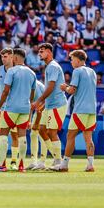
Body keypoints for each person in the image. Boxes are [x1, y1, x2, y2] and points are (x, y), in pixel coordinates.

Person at [0, 48, 36, 172]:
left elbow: (5, 91)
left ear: (15, 58)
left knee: (3, 134)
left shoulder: (11, 71)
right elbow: (32, 95)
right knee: (22, 137)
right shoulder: (32, 73)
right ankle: (21, 165)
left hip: (11, 108)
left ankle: (2, 165)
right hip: (25, 108)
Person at [59, 50, 97, 172]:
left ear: (79, 60)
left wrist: (65, 87)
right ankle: (90, 165)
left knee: (70, 136)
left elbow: (72, 90)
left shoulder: (77, 71)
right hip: (92, 110)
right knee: (88, 138)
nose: (71, 62)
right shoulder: (93, 72)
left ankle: (64, 164)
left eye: (72, 59)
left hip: (80, 109)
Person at [32, 43, 67, 171]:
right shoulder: (49, 67)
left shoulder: (52, 66)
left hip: (57, 104)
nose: (39, 54)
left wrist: (39, 101)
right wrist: (44, 104)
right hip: (50, 104)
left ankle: (58, 161)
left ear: (49, 52)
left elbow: (51, 87)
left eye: (42, 51)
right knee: (41, 129)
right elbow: (51, 87)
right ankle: (57, 158)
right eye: (39, 52)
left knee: (52, 132)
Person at [26, 80, 48, 170]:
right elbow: (31, 105)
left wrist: (36, 121)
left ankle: (42, 161)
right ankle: (33, 161)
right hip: (39, 109)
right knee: (33, 134)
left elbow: (45, 102)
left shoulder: (36, 86)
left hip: (45, 108)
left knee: (41, 134)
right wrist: (29, 120)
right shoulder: (27, 85)